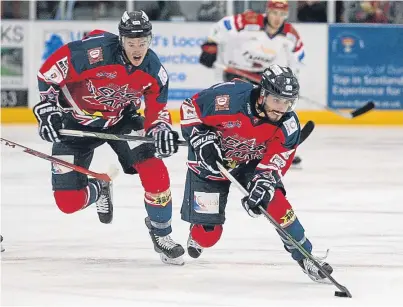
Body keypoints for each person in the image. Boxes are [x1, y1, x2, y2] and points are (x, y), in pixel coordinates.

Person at [33, 10, 184, 265]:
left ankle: (162, 234)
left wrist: (161, 133)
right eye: (131, 43)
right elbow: (48, 75)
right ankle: (99, 187)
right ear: (121, 39)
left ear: (150, 40)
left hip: (120, 122)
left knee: (155, 168)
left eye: (143, 43)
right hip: (75, 123)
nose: (137, 49)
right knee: (68, 202)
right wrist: (47, 111)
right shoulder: (92, 53)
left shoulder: (155, 71)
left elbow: (156, 115)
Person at [179, 64, 333, 282]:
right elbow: (190, 108)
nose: (281, 108)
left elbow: (275, 162)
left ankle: (306, 256)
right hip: (211, 162)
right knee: (207, 236)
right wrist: (201, 138)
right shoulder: (229, 98)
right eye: (277, 100)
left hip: (250, 163)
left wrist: (264, 183)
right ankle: (200, 231)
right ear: (262, 94)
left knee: (275, 202)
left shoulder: (288, 124)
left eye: (288, 102)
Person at [199, 0, 304, 167]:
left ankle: (275, 148)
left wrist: (290, 82)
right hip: (237, 71)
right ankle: (231, 146)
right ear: (268, 11)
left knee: (270, 111)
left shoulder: (291, 34)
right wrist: (211, 45)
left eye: (282, 14)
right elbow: (222, 25)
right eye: (274, 13)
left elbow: (298, 59)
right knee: (240, 109)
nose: (277, 18)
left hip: (263, 76)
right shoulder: (250, 20)